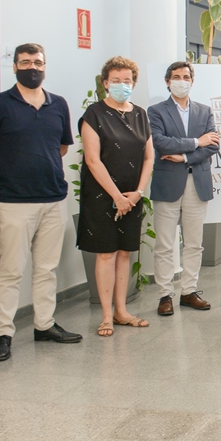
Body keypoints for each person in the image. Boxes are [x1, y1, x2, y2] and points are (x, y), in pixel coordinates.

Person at [0, 43, 82, 362]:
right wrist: (9, 170)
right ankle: (4, 333)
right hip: (14, 201)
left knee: (46, 269)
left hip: (52, 198)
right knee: (10, 271)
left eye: (37, 62)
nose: (32, 67)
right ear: (15, 67)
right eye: (25, 62)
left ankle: (44, 324)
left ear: (45, 66)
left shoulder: (58, 104)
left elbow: (61, 147)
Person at [77, 56, 154, 337]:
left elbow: (149, 158)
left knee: (125, 253)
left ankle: (122, 311)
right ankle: (107, 316)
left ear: (133, 83)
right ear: (105, 83)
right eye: (116, 81)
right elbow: (93, 161)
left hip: (133, 195)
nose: (122, 85)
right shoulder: (93, 115)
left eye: (128, 81)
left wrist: (137, 194)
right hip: (101, 196)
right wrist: (117, 197)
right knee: (107, 253)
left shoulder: (140, 114)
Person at [148, 61, 218, 316]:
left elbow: (213, 146)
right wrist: (195, 142)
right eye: (176, 76)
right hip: (168, 183)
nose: (181, 80)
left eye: (186, 76)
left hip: (196, 182)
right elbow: (160, 142)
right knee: (165, 244)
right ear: (167, 81)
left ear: (192, 80)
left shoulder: (204, 111)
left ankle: (189, 291)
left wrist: (185, 157)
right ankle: (165, 294)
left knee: (194, 243)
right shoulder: (155, 111)